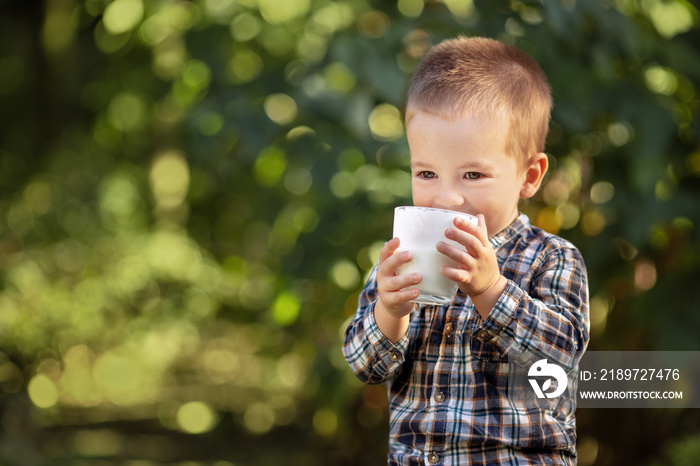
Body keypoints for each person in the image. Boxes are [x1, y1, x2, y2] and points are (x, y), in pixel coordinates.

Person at [343, 36, 590, 465]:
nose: (446, 198)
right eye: (427, 173)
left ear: (529, 176)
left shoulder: (551, 258)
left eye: (473, 174)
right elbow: (366, 366)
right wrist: (390, 310)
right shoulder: (402, 260)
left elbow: (561, 355)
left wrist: (491, 289)